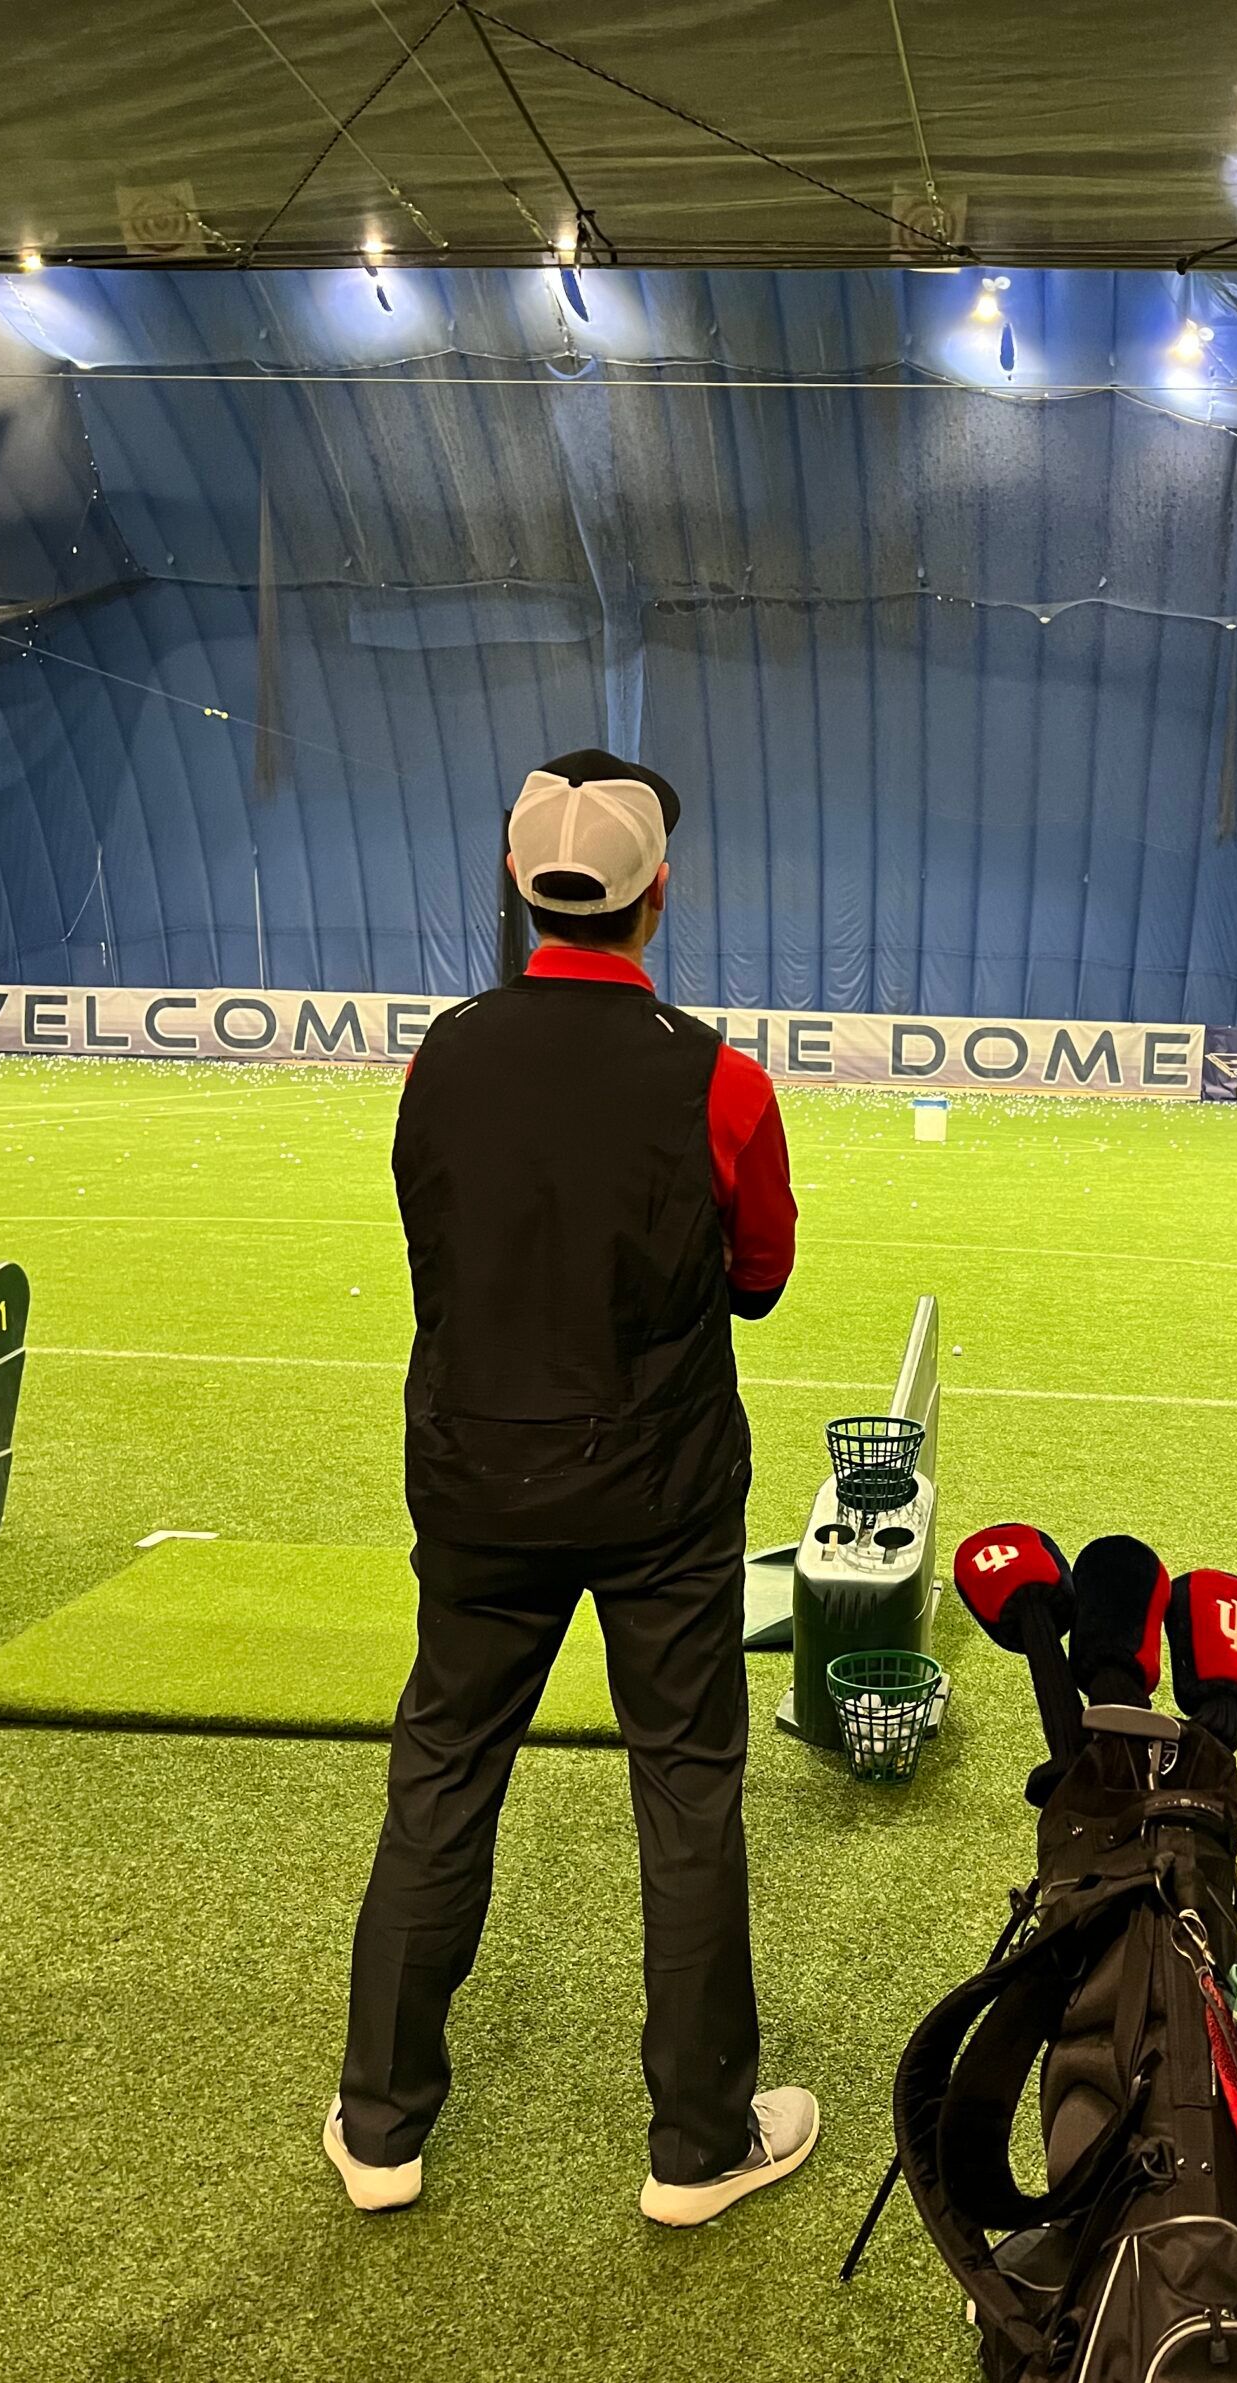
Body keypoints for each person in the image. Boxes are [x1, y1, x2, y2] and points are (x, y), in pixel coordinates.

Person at [325, 747, 815, 2227]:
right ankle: (698, 2143)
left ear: (521, 886)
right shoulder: (720, 1077)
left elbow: (437, 1235)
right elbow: (763, 1280)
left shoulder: (442, 1054)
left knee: (442, 1770)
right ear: (656, 896)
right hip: (661, 1492)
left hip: (474, 1479)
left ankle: (382, 2124)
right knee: (686, 1791)